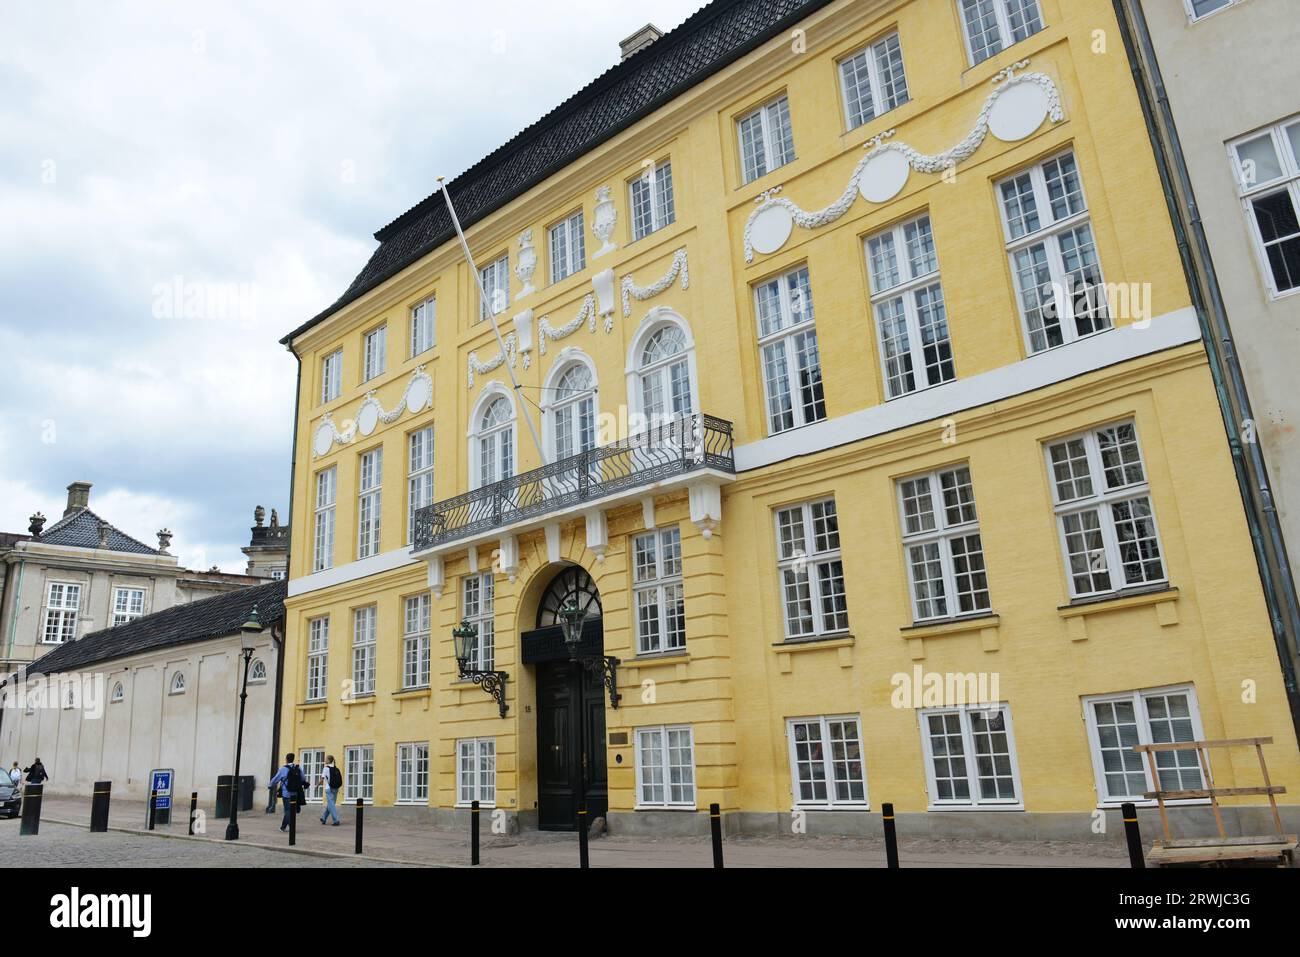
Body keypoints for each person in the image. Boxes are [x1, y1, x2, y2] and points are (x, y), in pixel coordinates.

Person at [266, 753, 305, 831]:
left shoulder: (283, 769)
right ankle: (285, 827)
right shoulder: (298, 768)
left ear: (286, 759)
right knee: (291, 811)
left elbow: (275, 779)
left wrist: (270, 785)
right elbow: (303, 778)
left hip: (286, 793)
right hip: (295, 793)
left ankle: (289, 827)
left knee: (288, 811)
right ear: (293, 759)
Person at [319, 755, 341, 826]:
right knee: (331, 804)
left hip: (329, 788)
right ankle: (324, 817)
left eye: (326, 759)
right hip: (336, 788)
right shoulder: (336, 768)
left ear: (329, 760)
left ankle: (336, 820)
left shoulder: (326, 768)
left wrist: (316, 785)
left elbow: (322, 779)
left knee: (331, 804)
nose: (325, 760)